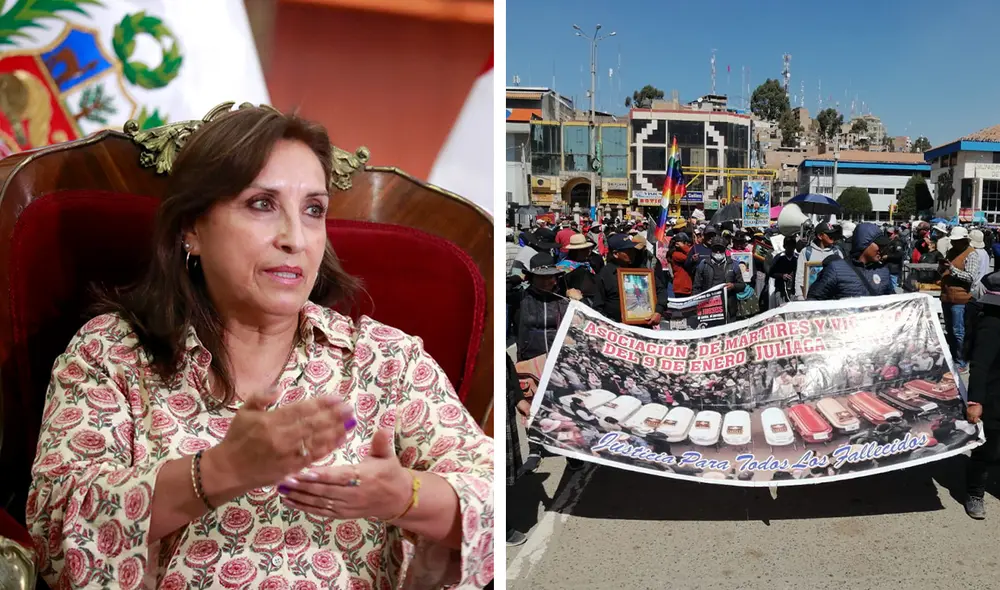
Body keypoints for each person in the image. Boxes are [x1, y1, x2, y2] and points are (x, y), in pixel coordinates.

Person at [26, 107, 493, 589]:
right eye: (262, 204)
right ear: (191, 229)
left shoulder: (384, 360)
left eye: (313, 210)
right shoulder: (113, 352)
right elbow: (53, 534)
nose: (295, 239)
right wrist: (222, 471)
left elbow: (493, 498)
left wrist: (406, 497)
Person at [964, 271, 1000, 519]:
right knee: (987, 447)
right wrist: (976, 401)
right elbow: (980, 365)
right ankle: (975, 493)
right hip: (994, 395)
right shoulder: (992, 323)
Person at [807, 222, 894, 300]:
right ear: (864, 243)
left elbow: (893, 302)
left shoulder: (884, 271)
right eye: (879, 245)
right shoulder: (836, 269)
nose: (882, 249)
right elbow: (813, 300)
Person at [594, 234, 668, 325]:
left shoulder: (642, 270)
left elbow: (661, 290)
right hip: (617, 328)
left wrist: (658, 311)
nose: (632, 253)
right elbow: (598, 306)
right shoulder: (605, 275)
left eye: (633, 250)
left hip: (644, 325)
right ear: (616, 254)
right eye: (628, 251)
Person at [941, 226, 981, 370]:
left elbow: (970, 277)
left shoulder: (971, 254)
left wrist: (952, 269)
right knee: (950, 330)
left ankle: (961, 360)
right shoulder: (951, 252)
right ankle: (953, 357)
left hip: (960, 299)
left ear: (964, 241)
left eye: (956, 241)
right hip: (947, 296)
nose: (953, 243)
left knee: (958, 331)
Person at [692, 235, 746, 314]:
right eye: (715, 249)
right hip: (708, 307)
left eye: (720, 249)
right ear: (711, 249)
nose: (718, 252)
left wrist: (733, 286)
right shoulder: (703, 264)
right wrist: (695, 304)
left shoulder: (733, 264)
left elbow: (742, 285)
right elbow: (696, 287)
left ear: (725, 249)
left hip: (728, 307)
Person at [795, 222, 839, 299]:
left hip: (832, 300)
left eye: (833, 234)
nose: (832, 236)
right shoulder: (806, 252)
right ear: (820, 236)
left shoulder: (837, 252)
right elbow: (800, 276)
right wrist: (800, 296)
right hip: (811, 299)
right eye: (829, 234)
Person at [669, 232, 694, 298]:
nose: (687, 245)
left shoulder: (681, 253)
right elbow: (691, 255)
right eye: (685, 243)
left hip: (685, 286)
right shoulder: (676, 254)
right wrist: (683, 246)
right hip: (682, 287)